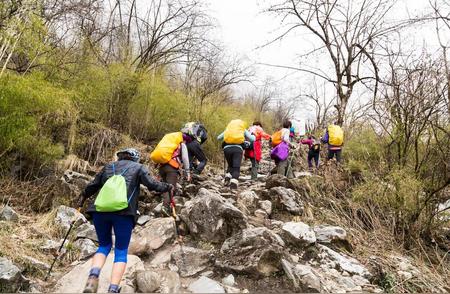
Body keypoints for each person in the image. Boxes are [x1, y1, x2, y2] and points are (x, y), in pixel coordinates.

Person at [78, 148, 173, 293]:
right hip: (123, 213)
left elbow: (92, 186)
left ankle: (92, 278)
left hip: (100, 211)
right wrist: (168, 186)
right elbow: (153, 185)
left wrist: (83, 197)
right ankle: (113, 289)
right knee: (121, 251)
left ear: (120, 158)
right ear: (135, 159)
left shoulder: (108, 167)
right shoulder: (139, 168)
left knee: (103, 246)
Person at [152, 132, 191, 216]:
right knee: (169, 188)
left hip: (162, 167)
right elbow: (185, 158)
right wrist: (187, 172)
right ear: (184, 139)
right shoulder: (181, 144)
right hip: (172, 168)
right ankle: (165, 207)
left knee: (165, 186)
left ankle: (166, 206)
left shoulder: (168, 145)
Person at [217, 119, 255, 189]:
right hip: (237, 149)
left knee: (230, 165)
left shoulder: (228, 129)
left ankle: (227, 179)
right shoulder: (242, 129)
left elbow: (218, 138)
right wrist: (253, 135)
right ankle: (233, 185)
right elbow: (252, 139)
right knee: (236, 167)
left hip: (226, 149)